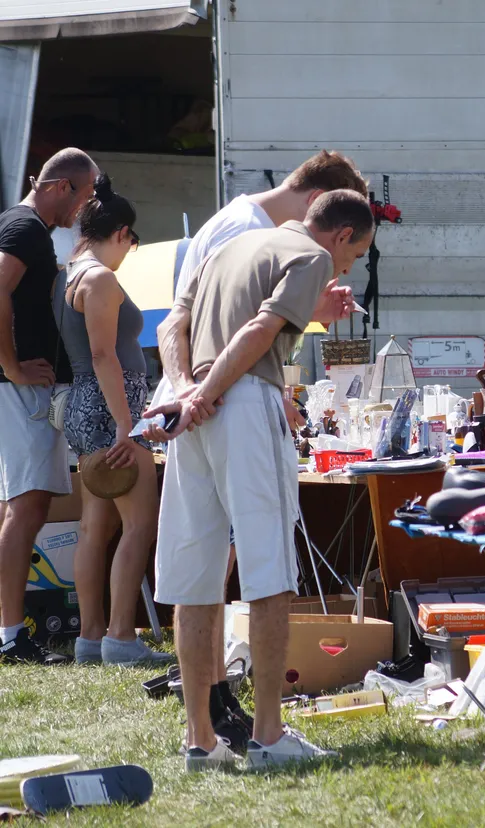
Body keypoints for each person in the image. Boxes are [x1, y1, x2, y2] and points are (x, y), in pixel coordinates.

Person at [144, 189, 374, 772]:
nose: (346, 268)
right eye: (355, 254)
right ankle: (269, 736)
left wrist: (182, 390)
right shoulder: (312, 257)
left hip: (191, 411)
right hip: (237, 402)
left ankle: (201, 741)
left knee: (194, 578)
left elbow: (174, 323)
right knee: (269, 571)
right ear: (341, 234)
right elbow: (262, 331)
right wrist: (207, 392)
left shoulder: (225, 245)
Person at [54, 175, 174, 667]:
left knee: (94, 526)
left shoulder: (69, 273)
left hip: (88, 407)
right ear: (122, 232)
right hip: (110, 409)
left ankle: (91, 638)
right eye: (133, 243)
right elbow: (104, 354)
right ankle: (122, 637)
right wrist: (128, 427)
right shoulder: (100, 278)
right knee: (140, 524)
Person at [0, 148, 98, 665]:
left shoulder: (24, 227)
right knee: (28, 504)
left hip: (25, 387)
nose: (84, 208)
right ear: (61, 187)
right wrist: (13, 366)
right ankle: (11, 634)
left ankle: (9, 630)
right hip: (21, 388)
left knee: (23, 504)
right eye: (84, 196)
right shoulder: (26, 228)